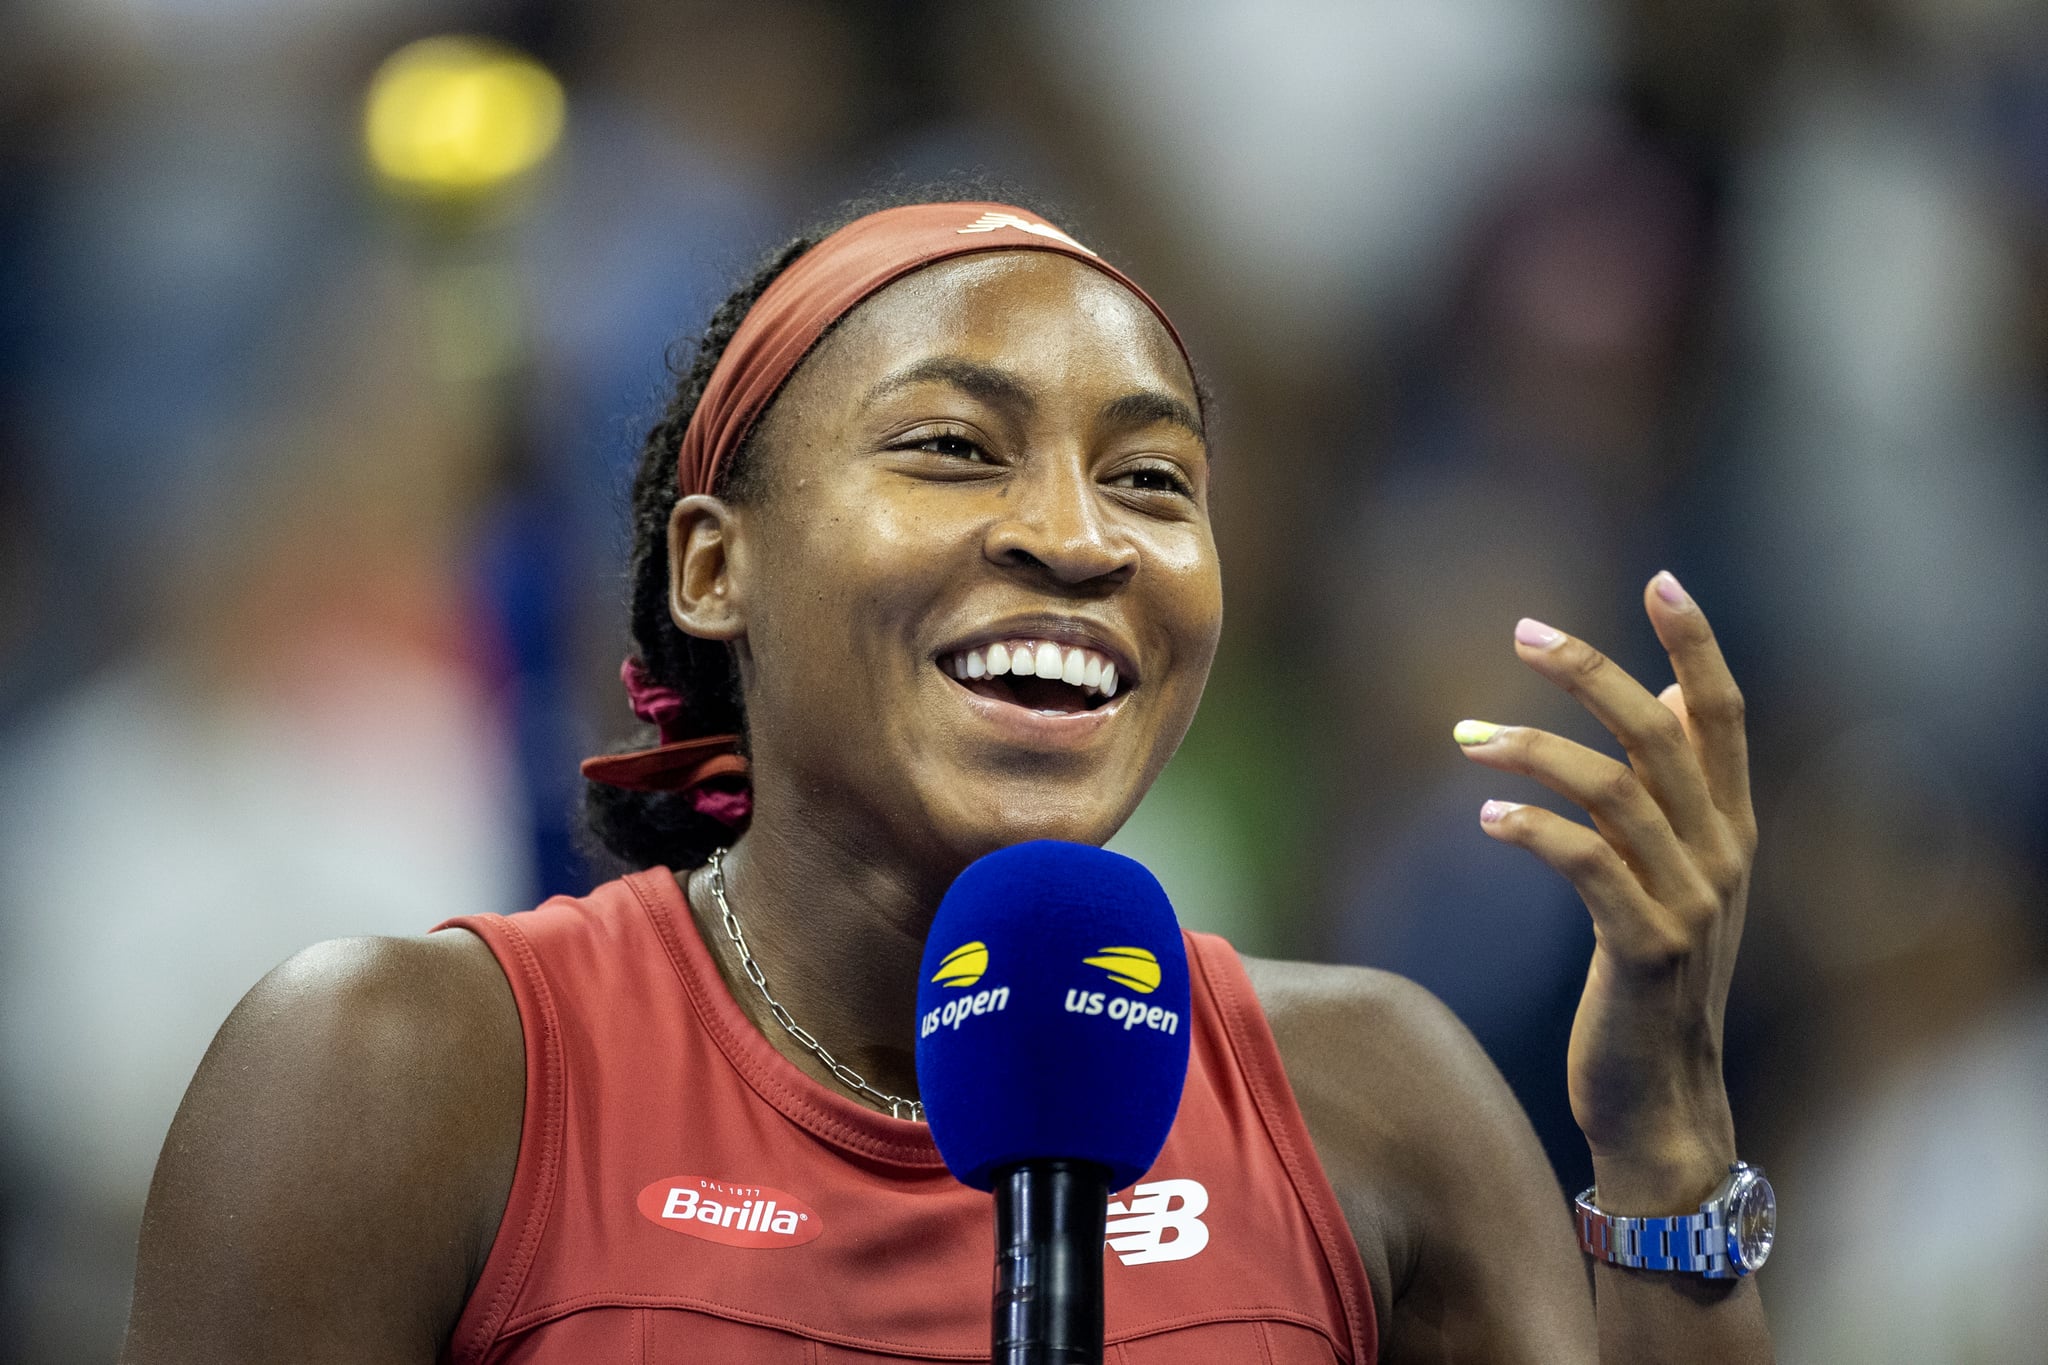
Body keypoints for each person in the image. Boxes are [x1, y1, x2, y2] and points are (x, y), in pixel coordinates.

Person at [120, 199, 1772, 1363]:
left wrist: (1669, 1136)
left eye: (1151, 478)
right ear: (713, 566)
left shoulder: (1380, 1100)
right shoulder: (396, 1079)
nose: (1076, 536)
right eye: (952, 447)